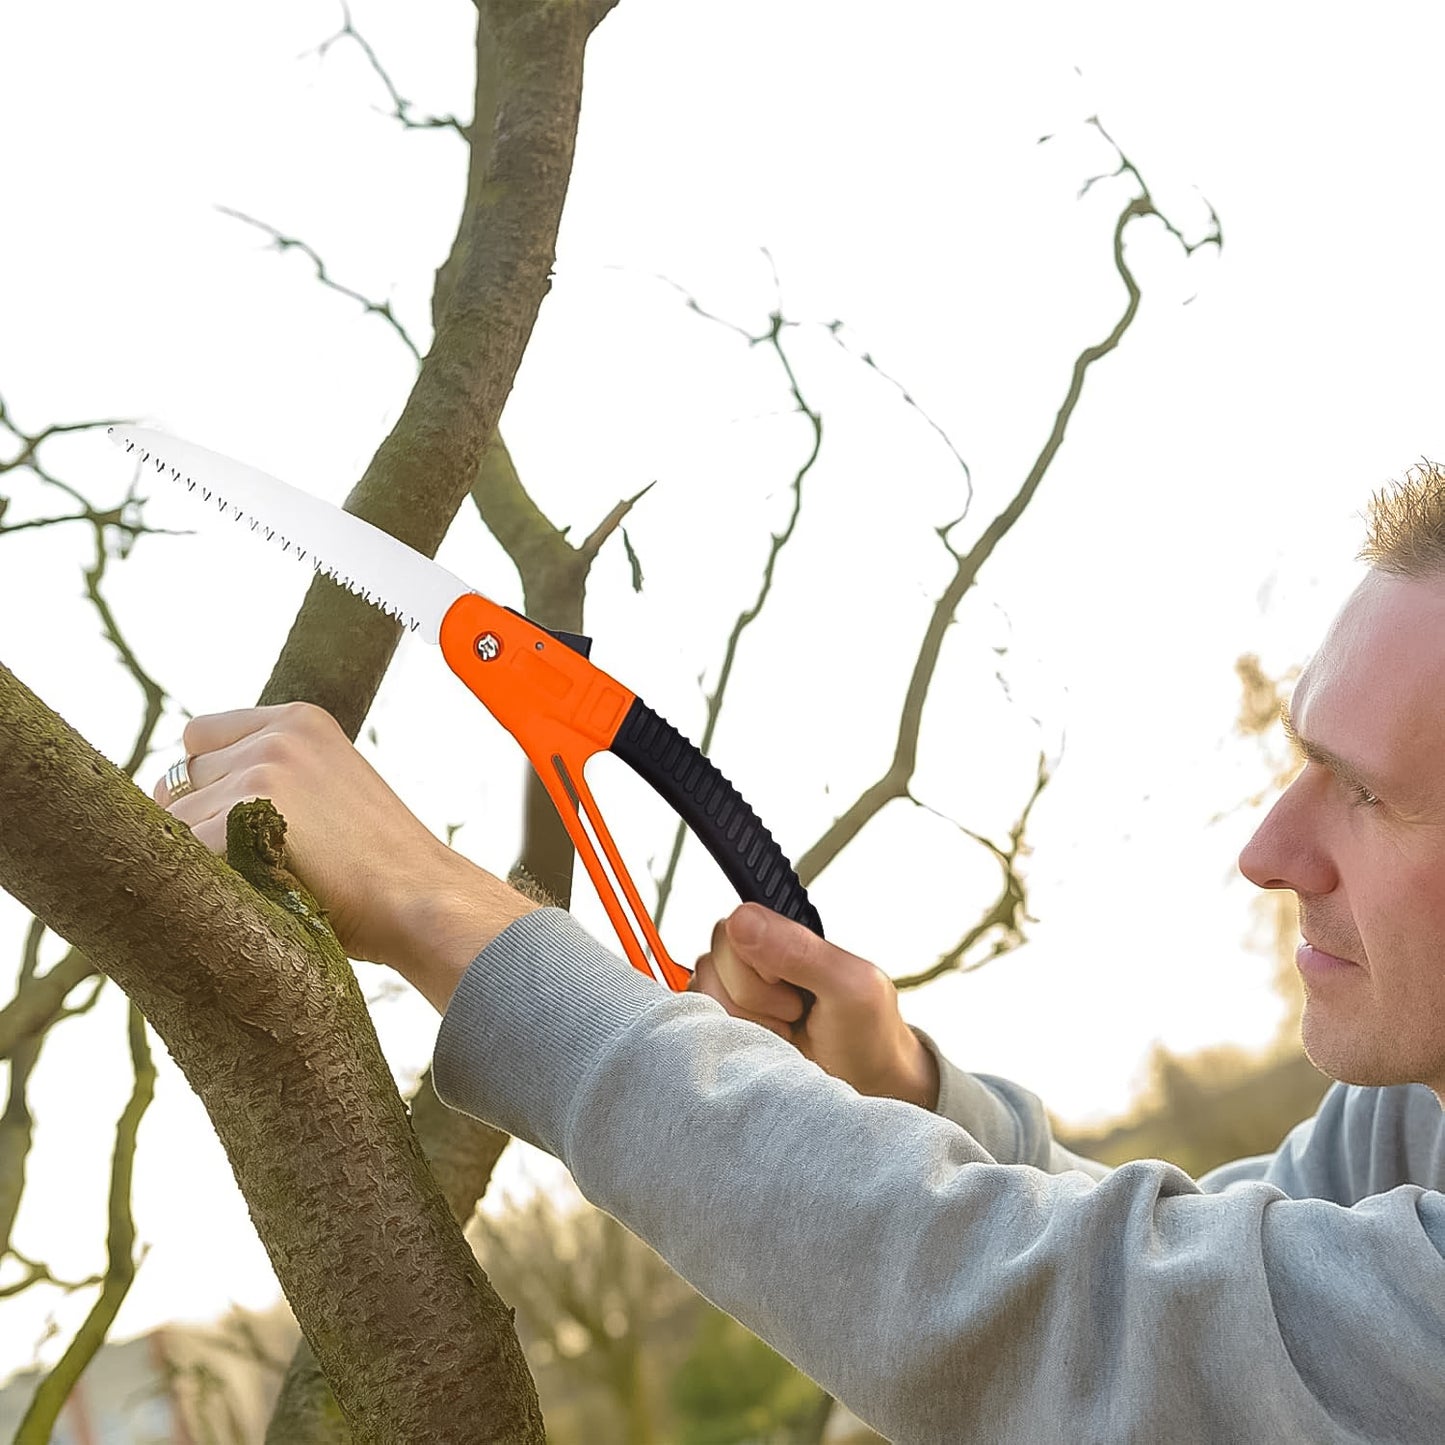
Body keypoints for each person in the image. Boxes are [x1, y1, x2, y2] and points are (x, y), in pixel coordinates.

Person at [155, 469, 1445, 1443]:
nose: (1269, 851)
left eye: (1370, 796)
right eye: (1303, 768)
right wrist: (906, 1100)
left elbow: (1092, 1337)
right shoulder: (1408, 1124)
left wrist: (454, 920)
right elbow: (1208, 1298)